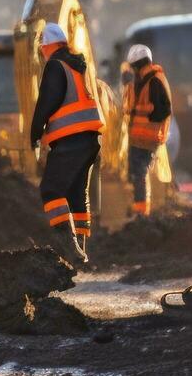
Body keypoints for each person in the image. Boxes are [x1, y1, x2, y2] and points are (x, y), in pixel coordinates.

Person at [30, 22, 104, 265]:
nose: (42, 52)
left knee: (51, 190)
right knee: (75, 194)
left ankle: (70, 248)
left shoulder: (54, 65)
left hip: (70, 139)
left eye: (42, 48)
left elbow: (46, 102)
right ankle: (81, 251)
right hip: (91, 140)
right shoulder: (79, 65)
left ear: (48, 46)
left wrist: (34, 134)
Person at [122, 43, 172, 217]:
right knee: (135, 172)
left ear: (137, 64)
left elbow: (164, 109)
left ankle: (141, 212)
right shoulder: (140, 80)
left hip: (147, 137)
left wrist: (151, 121)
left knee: (140, 171)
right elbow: (130, 106)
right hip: (138, 137)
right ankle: (138, 208)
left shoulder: (155, 80)